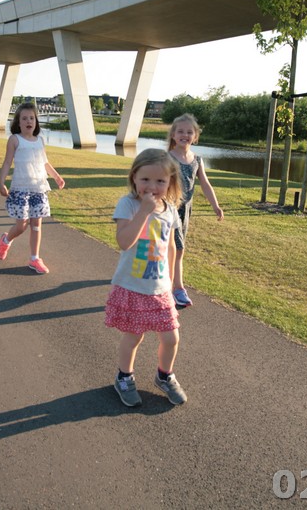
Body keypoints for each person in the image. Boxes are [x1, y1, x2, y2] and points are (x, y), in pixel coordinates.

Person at [105, 148, 187, 407]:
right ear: (134, 178)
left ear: (170, 182)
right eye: (145, 179)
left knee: (171, 338)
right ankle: (124, 377)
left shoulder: (170, 209)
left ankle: (164, 375)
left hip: (160, 288)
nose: (152, 187)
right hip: (133, 286)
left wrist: (173, 283)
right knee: (134, 337)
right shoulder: (128, 204)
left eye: (160, 181)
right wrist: (143, 212)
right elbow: (124, 242)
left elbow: (171, 248)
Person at [0, 102, 65, 274]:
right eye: (24, 118)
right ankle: (6, 240)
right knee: (21, 226)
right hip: (21, 189)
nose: (29, 121)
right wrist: (1, 182)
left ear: (36, 121)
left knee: (36, 224)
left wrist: (56, 176)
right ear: (18, 122)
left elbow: (45, 162)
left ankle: (34, 258)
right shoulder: (15, 140)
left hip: (38, 188)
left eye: (32, 118)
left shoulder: (40, 140)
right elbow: (7, 162)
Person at [166, 114, 223, 309]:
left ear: (195, 136)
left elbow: (205, 184)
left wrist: (215, 205)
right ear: (173, 135)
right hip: (169, 209)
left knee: (173, 248)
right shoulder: (167, 158)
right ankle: (177, 288)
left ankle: (159, 280)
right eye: (180, 131)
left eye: (189, 132)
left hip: (186, 210)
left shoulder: (197, 159)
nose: (185, 135)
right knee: (177, 248)